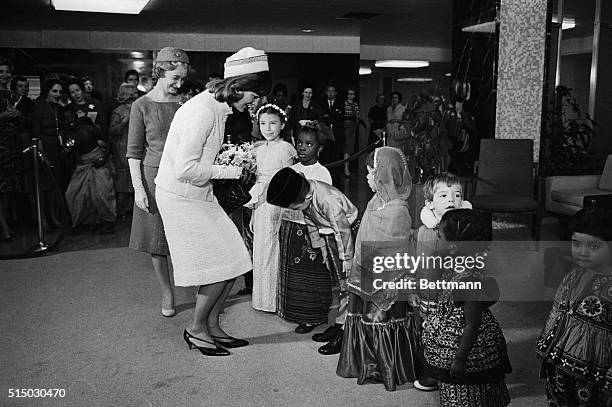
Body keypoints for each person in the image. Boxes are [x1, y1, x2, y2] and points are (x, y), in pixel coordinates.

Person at [155, 46, 271, 356]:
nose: (256, 102)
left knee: (236, 258)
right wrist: (232, 170)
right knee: (221, 265)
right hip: (180, 197)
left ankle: (212, 325)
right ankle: (195, 329)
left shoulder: (217, 108)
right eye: (254, 95)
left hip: (198, 193)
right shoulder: (202, 111)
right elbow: (186, 168)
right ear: (239, 86)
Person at [337, 146, 421, 391]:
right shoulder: (377, 201)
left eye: (371, 173)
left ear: (384, 176)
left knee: (382, 318)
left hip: (387, 278)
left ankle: (384, 365)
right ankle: (368, 361)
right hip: (367, 271)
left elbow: (397, 251)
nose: (366, 178)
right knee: (364, 315)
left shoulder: (398, 211)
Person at [423, 209, 511, 406]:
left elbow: (472, 324)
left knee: (467, 392)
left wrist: (460, 359)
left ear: (453, 246)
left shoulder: (466, 280)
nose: (437, 242)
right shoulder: (459, 264)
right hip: (451, 331)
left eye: (440, 238)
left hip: (464, 345)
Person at [267, 166, 358, 355]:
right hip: (330, 238)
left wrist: (347, 258)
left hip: (347, 238)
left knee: (349, 286)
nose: (298, 210)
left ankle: (347, 331)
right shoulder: (306, 197)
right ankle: (340, 323)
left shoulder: (327, 199)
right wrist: (322, 247)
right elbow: (311, 221)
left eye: (296, 207)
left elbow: (343, 230)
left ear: (306, 198)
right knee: (340, 285)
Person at [126, 47, 189, 318]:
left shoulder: (184, 104)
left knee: (185, 235)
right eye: (175, 77)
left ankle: (195, 285)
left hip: (182, 176)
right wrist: (139, 188)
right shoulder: (141, 106)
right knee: (157, 240)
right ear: (160, 72)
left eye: (182, 79)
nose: (179, 84)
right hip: (153, 178)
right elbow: (133, 151)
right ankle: (167, 291)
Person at [536, 207, 612, 406]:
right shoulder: (572, 275)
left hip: (595, 372)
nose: (582, 252)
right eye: (576, 243)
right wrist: (545, 341)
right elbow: (556, 310)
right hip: (558, 362)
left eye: (594, 246)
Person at [413, 172, 472, 392]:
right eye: (444, 195)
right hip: (429, 295)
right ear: (429, 203)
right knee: (430, 334)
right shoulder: (424, 231)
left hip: (454, 298)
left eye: (457, 195)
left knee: (453, 335)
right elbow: (419, 264)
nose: (451, 200)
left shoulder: (464, 233)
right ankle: (432, 371)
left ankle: (447, 372)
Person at [277, 122, 333, 332]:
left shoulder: (322, 173)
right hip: (291, 225)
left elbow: (324, 203)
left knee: (313, 272)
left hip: (312, 230)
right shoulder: (290, 170)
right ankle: (296, 313)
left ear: (319, 148)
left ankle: (314, 315)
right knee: (293, 272)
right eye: (299, 143)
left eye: (309, 144)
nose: (302, 147)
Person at [245, 103, 296, 312]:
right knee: (260, 248)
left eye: (273, 123)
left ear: (282, 125)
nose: (268, 128)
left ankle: (274, 299)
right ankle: (261, 298)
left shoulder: (286, 149)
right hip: (260, 202)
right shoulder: (257, 148)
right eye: (263, 123)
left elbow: (290, 180)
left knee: (274, 248)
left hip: (278, 201)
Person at [62, 109, 116, 234]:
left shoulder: (89, 129)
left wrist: (103, 159)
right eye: (66, 119)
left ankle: (108, 221)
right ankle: (82, 222)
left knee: (102, 193)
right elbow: (70, 153)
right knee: (73, 194)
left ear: (76, 116)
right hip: (82, 166)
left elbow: (108, 142)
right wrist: (67, 152)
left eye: (72, 117)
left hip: (98, 162)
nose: (70, 121)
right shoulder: (66, 134)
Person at [30, 78, 65, 228]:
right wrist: (41, 154)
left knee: (54, 184)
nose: (57, 94)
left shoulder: (57, 107)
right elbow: (36, 133)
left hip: (56, 147)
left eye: (60, 91)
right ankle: (43, 220)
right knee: (43, 184)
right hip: (45, 147)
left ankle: (53, 216)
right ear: (47, 91)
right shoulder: (39, 106)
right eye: (54, 91)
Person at [109, 82, 138, 218]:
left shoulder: (140, 107)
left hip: (138, 148)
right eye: (134, 92)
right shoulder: (118, 111)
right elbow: (112, 131)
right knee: (123, 185)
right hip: (122, 150)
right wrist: (124, 121)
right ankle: (120, 212)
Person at [342, 87, 359, 177]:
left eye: (352, 94)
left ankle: (347, 166)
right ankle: (345, 167)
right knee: (346, 148)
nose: (351, 95)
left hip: (353, 127)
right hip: (345, 127)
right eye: (349, 94)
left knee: (350, 149)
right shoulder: (344, 104)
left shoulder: (355, 105)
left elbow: (357, 116)